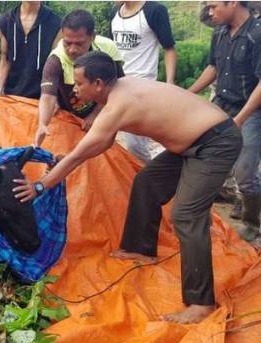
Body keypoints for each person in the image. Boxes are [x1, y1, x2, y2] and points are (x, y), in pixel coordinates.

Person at [14, 51, 242, 324]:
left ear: (98, 84)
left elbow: (79, 156)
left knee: (185, 215)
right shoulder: (117, 93)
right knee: (147, 182)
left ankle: (201, 303)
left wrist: (40, 186)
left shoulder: (117, 106)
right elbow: (99, 145)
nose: (74, 89)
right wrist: (62, 163)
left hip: (215, 142)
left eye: (79, 83)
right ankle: (140, 248)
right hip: (191, 143)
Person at [189, 1, 261, 242]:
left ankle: (252, 225)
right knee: (199, 152)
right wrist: (188, 93)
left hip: (251, 111)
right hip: (221, 103)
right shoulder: (219, 32)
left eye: (213, 6)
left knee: (245, 173)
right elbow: (213, 67)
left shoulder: (257, 34)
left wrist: (240, 118)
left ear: (232, 3)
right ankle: (199, 215)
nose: (209, 12)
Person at [34, 10, 124, 147]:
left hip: (103, 109)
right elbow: (47, 97)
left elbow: (118, 85)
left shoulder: (108, 48)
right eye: (67, 43)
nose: (72, 50)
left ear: (92, 37)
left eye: (79, 44)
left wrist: (96, 114)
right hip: (70, 114)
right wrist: (42, 124)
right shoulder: (55, 60)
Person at [111, 1, 177, 162]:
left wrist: (169, 82)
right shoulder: (114, 12)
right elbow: (111, 48)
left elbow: (169, 48)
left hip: (143, 87)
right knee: (108, 137)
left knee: (136, 144)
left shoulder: (154, 11)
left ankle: (148, 179)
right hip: (117, 85)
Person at [0, 1, 62, 102]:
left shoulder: (56, 23)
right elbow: (5, 59)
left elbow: (55, 62)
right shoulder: (5, 21)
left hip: (41, 97)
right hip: (11, 95)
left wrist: (53, 97)